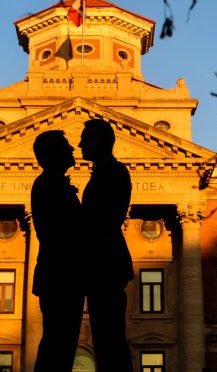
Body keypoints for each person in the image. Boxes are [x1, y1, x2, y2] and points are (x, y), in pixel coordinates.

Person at [79, 118, 134, 371]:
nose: (79, 144)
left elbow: (104, 219)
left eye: (85, 139)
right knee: (107, 339)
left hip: (105, 264)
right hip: (102, 264)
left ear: (100, 142)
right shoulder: (104, 172)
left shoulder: (113, 172)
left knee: (110, 339)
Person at [31, 130, 85, 371]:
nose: (73, 149)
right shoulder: (50, 184)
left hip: (60, 276)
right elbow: (63, 232)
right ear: (52, 153)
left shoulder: (52, 182)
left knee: (59, 345)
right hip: (61, 276)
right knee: (58, 346)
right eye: (66, 146)